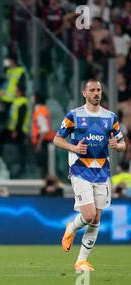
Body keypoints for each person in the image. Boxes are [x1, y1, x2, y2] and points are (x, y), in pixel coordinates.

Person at [53, 79, 126, 271]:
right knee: (89, 214)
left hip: (102, 171)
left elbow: (123, 144)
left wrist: (117, 146)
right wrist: (73, 147)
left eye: (99, 90)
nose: (96, 93)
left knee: (96, 219)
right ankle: (72, 227)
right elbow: (57, 139)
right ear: (84, 93)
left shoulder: (110, 117)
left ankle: (81, 261)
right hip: (80, 169)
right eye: (92, 90)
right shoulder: (74, 115)